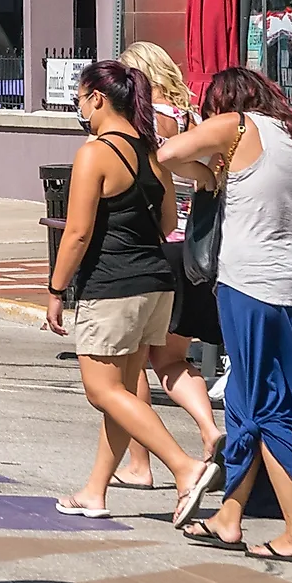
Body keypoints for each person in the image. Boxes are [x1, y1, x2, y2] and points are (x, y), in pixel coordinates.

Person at [162, 66, 292, 559]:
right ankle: (229, 516)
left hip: (249, 283)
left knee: (268, 406)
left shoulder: (237, 125)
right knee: (245, 399)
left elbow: (168, 153)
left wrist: (207, 174)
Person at [44, 60, 214, 523]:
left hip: (112, 284)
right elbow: (166, 222)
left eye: (81, 99)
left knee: (103, 391)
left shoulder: (95, 152)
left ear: (98, 99)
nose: (80, 107)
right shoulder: (148, 151)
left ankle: (185, 466)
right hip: (156, 282)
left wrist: (56, 289)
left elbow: (77, 232)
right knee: (122, 392)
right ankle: (95, 491)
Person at [117, 40, 224, 490]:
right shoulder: (194, 119)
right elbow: (213, 174)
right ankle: (208, 427)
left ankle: (140, 465)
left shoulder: (143, 123)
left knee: (134, 363)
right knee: (174, 358)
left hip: (157, 247)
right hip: (196, 251)